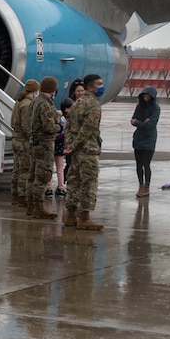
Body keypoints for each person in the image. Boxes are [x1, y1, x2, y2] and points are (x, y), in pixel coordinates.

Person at [63, 74, 104, 230]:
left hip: (76, 152)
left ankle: (71, 216)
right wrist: (76, 145)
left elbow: (68, 126)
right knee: (88, 183)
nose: (101, 87)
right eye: (98, 84)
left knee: (74, 182)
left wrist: (70, 145)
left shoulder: (77, 103)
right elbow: (88, 129)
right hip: (87, 150)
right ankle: (84, 218)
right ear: (90, 87)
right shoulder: (93, 104)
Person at [19, 76, 61, 217]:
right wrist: (60, 126)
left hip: (35, 143)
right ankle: (38, 207)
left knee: (33, 175)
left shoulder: (35, 101)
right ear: (53, 89)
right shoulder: (44, 104)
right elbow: (48, 126)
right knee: (42, 176)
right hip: (44, 144)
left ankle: (31, 205)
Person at [10, 78, 40, 208]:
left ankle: (16, 195)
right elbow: (27, 125)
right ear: (34, 91)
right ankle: (23, 196)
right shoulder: (27, 104)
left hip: (16, 138)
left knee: (17, 169)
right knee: (25, 169)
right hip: (23, 140)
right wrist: (32, 139)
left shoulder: (19, 102)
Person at [130, 88, 160, 196]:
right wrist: (142, 122)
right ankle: (140, 185)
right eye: (144, 95)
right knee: (138, 164)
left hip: (149, 139)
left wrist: (138, 122)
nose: (145, 97)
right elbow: (132, 120)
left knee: (146, 164)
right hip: (138, 138)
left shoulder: (156, 108)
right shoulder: (139, 106)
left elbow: (150, 125)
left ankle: (147, 186)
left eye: (147, 95)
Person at [51, 93, 70, 196]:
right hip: (60, 145)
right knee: (59, 168)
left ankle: (50, 188)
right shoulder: (66, 120)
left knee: (55, 168)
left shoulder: (61, 119)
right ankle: (60, 187)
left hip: (55, 144)